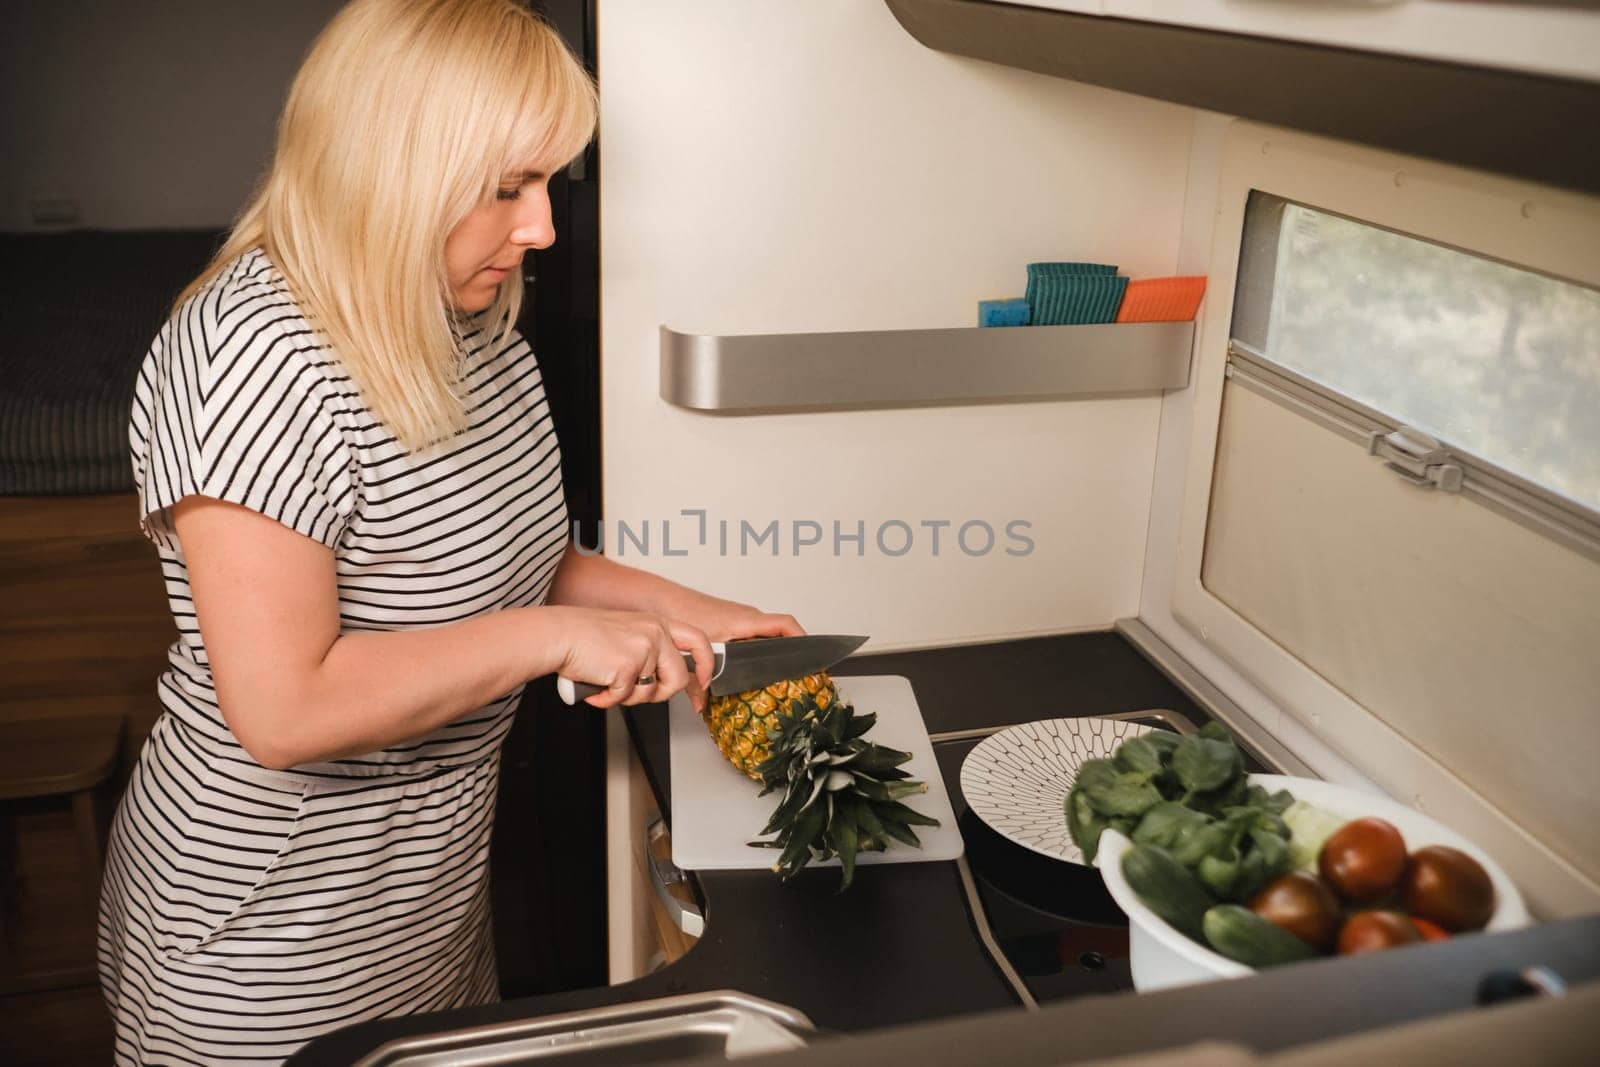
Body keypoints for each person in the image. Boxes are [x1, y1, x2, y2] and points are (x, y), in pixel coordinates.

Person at [96, 1, 801, 1062]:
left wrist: (711, 618)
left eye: (549, 183)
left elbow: (517, 558)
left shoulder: (475, 322)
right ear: (389, 167)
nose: (543, 229)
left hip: (425, 909)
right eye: (506, 188)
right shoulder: (254, 358)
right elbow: (283, 708)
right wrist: (549, 642)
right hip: (264, 939)